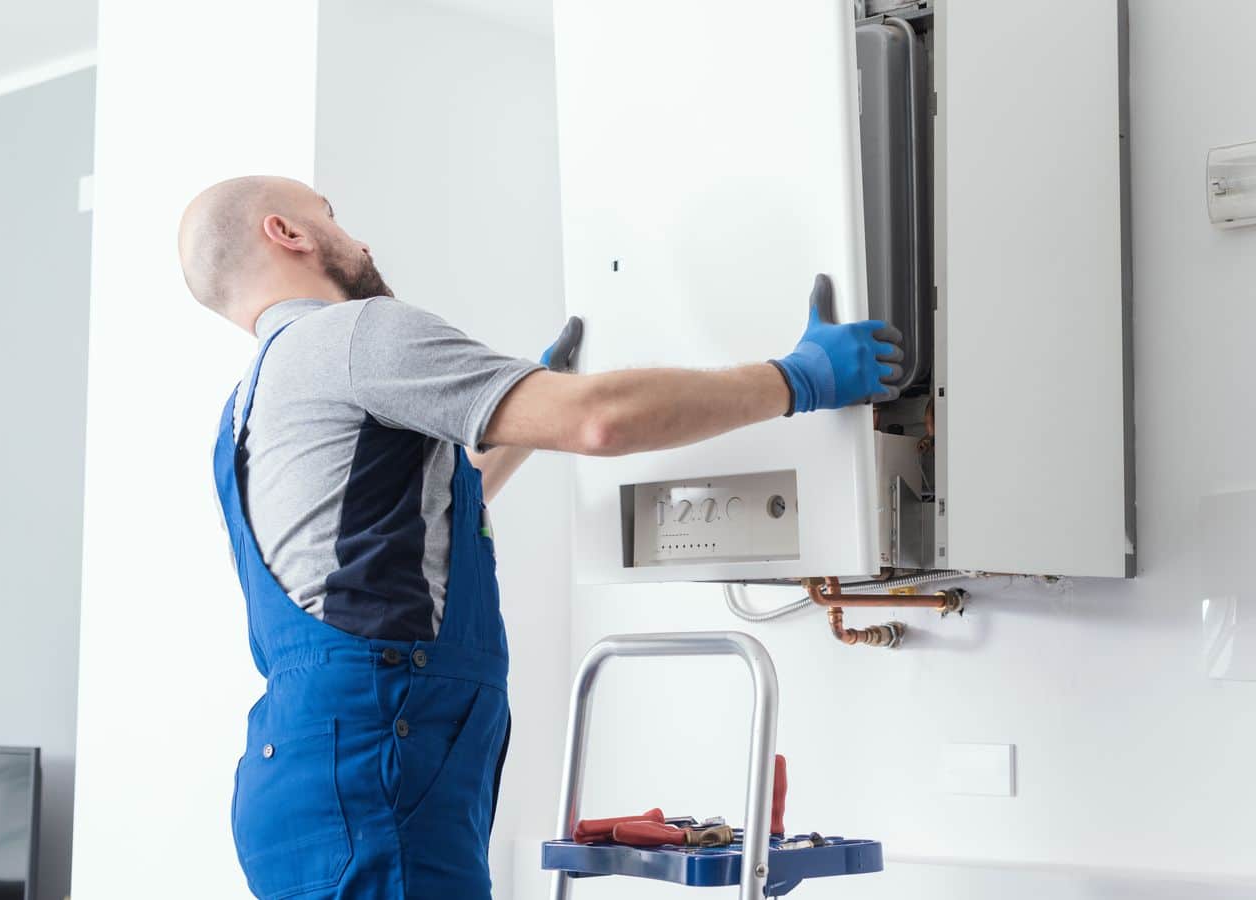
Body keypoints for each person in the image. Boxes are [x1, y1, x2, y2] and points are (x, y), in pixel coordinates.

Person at [178, 175, 904, 900]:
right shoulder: (356, 332)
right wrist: (798, 380)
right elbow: (600, 422)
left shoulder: (245, 408)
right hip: (378, 769)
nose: (361, 240)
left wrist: (516, 412)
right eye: (331, 217)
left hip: (301, 781)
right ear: (288, 233)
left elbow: (419, 519)